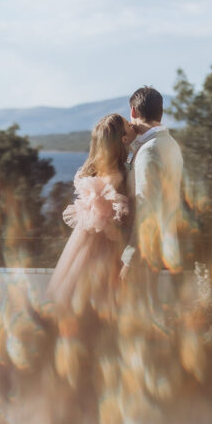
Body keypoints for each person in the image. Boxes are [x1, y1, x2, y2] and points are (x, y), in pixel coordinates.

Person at [47, 113, 136, 318]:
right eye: (127, 124)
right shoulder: (116, 175)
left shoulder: (98, 169)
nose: (132, 125)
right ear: (121, 139)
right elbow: (114, 217)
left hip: (87, 241)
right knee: (99, 298)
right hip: (105, 245)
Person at [120, 86, 184, 284]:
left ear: (133, 111)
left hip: (143, 253)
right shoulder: (171, 144)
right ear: (160, 113)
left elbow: (146, 209)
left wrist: (129, 260)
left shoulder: (149, 151)